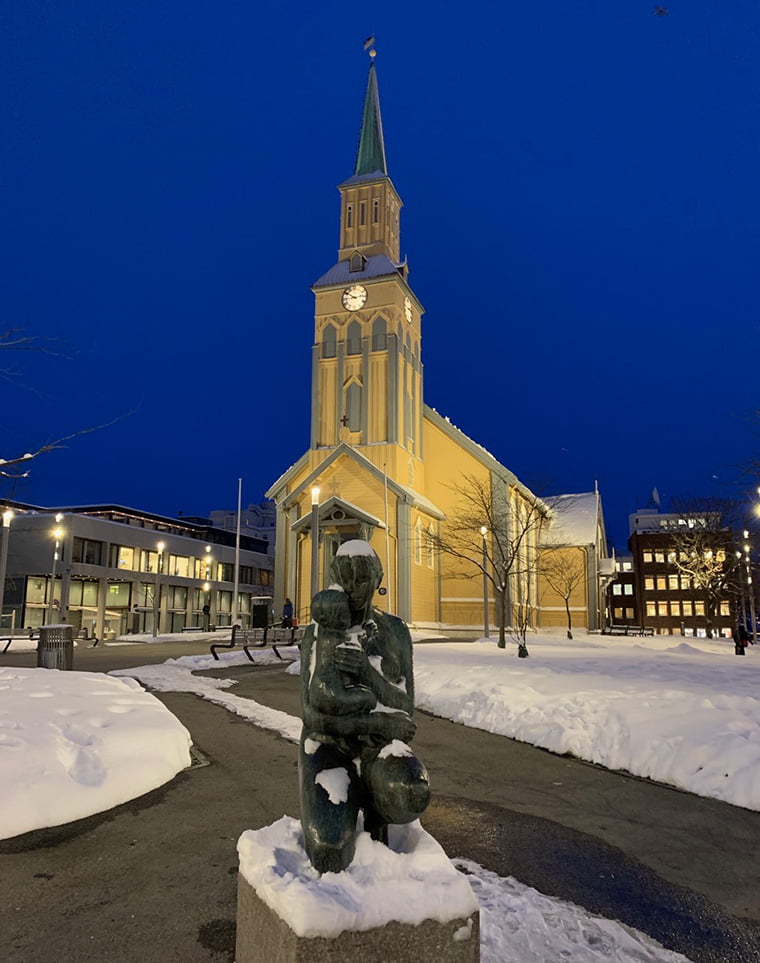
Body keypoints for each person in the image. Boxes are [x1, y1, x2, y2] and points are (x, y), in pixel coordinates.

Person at [298, 540, 430, 874]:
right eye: (345, 579)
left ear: (377, 579)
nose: (353, 589)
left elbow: (405, 707)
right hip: (329, 747)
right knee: (329, 850)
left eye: (361, 579)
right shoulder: (319, 629)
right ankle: (343, 808)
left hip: (377, 748)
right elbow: (311, 715)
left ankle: (377, 810)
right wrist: (375, 723)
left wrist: (366, 673)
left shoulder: (395, 631)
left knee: (410, 794)